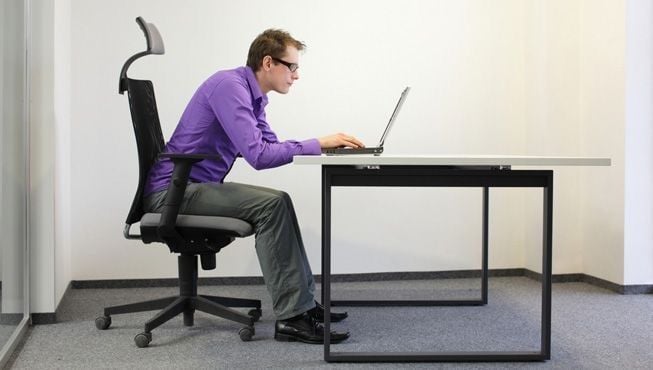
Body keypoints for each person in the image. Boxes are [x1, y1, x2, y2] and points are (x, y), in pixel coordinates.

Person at [142, 29, 364, 344]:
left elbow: (269, 146)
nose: (296, 76)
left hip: (192, 187)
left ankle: (303, 306)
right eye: (292, 67)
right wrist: (317, 142)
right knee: (270, 206)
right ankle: (291, 319)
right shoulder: (229, 88)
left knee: (280, 200)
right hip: (172, 193)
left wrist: (322, 146)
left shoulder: (251, 96)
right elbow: (259, 156)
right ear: (269, 62)